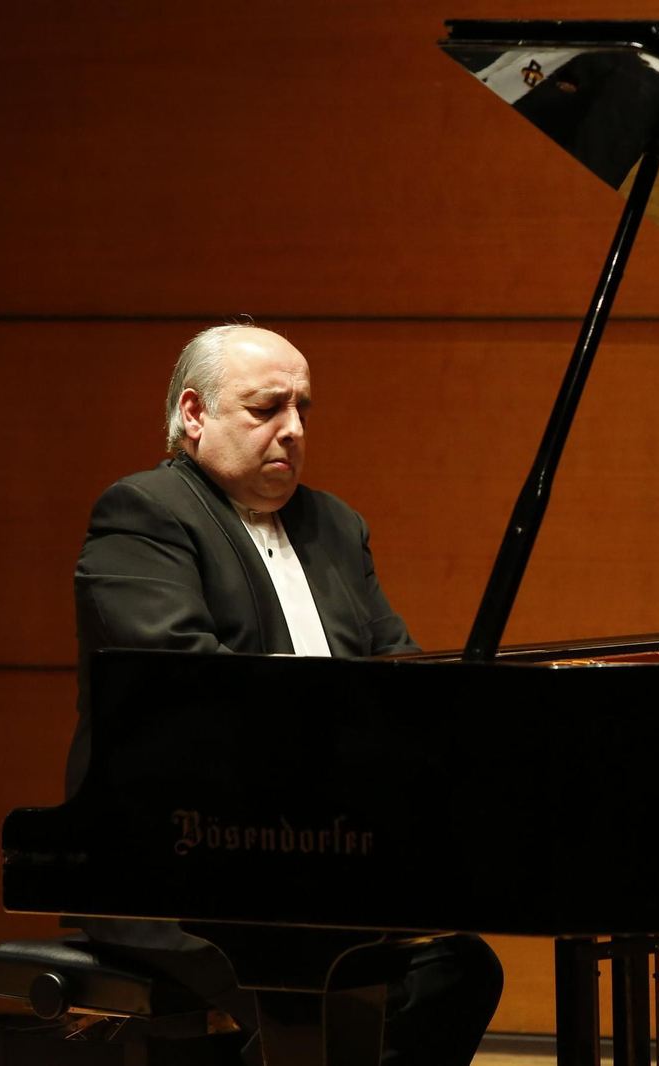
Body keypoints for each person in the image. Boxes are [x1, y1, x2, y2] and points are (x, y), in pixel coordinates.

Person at [67, 323, 502, 1065]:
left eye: (302, 408)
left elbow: (397, 671)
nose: (293, 430)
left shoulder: (334, 525)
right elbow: (188, 691)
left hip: (320, 854)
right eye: (266, 408)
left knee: (461, 967)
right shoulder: (144, 515)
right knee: (323, 990)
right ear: (195, 415)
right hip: (178, 858)